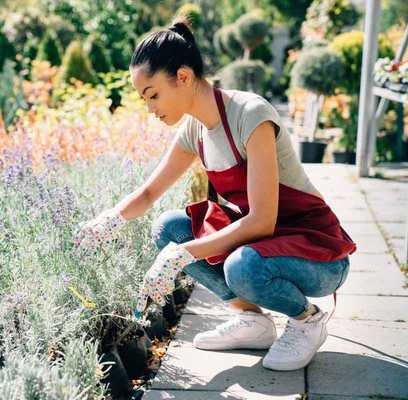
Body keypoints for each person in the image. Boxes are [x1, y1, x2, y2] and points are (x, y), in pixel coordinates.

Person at [73, 16, 356, 372]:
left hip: (318, 254)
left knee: (241, 265)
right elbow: (149, 193)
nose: (150, 109)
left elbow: (263, 220)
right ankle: (252, 321)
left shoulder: (249, 114)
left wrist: (183, 255)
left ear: (185, 77)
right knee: (170, 228)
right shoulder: (195, 130)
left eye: (153, 95)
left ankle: (307, 320)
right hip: (267, 246)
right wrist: (108, 219)